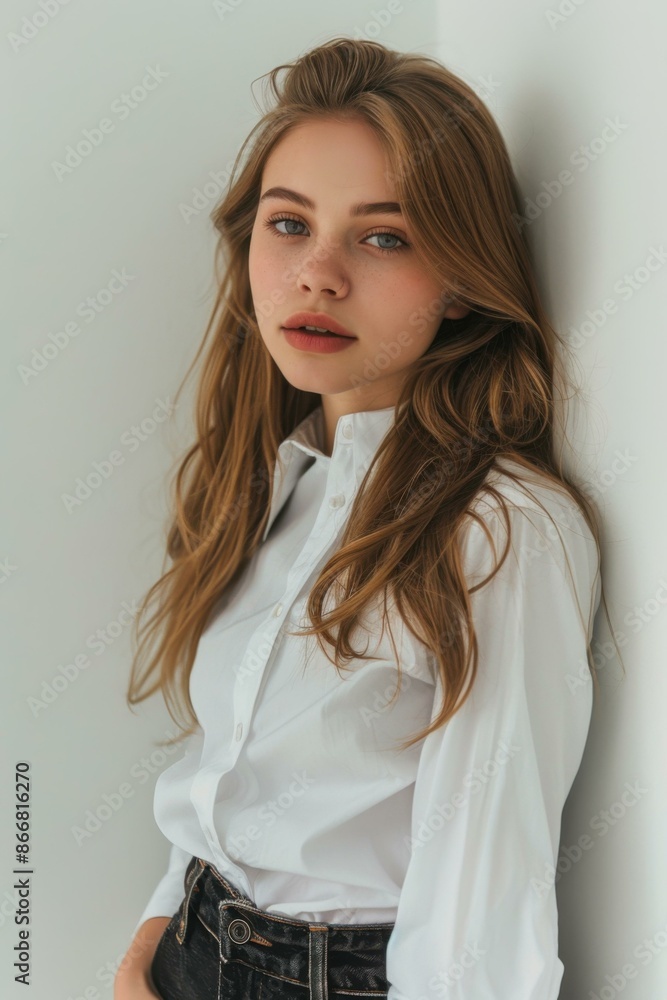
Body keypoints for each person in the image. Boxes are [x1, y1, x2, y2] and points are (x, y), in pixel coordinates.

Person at [114, 36, 615, 1000]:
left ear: (465, 280)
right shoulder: (280, 481)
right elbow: (228, 775)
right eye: (288, 223)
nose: (317, 274)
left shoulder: (502, 530)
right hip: (181, 955)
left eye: (384, 236)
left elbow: (484, 907)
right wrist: (146, 949)